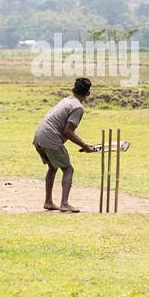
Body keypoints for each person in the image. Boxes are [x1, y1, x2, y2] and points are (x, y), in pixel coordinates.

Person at [33, 77, 98, 213]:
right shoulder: (77, 107)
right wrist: (84, 145)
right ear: (88, 94)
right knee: (68, 169)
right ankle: (64, 203)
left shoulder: (67, 100)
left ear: (73, 90)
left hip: (39, 136)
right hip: (50, 138)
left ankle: (49, 202)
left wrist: (83, 145)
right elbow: (67, 131)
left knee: (53, 167)